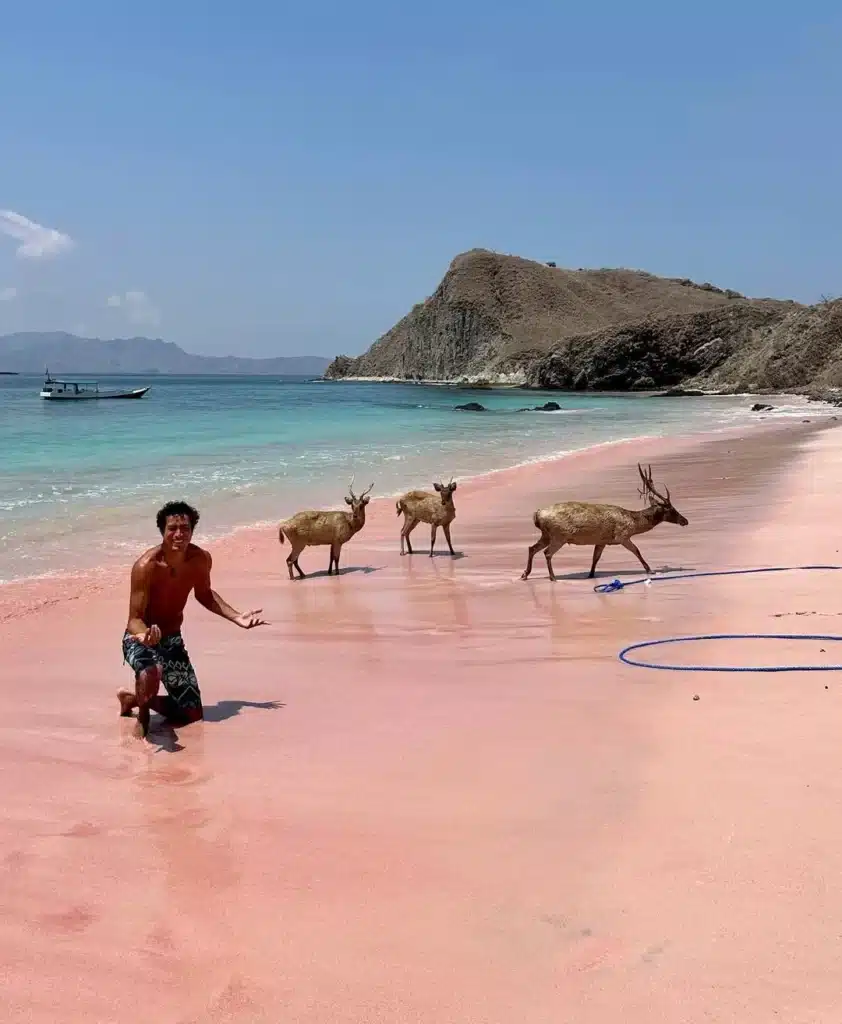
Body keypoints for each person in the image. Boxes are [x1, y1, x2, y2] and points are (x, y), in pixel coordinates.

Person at [119, 500, 267, 737]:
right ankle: (144, 717)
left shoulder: (200, 560)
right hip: (139, 638)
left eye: (185, 528)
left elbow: (205, 595)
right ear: (162, 531)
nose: (179, 534)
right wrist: (142, 635)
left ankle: (133, 700)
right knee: (151, 671)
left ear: (192, 530)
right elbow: (133, 619)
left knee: (191, 714)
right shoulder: (146, 567)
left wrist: (236, 617)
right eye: (172, 529)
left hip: (172, 640)